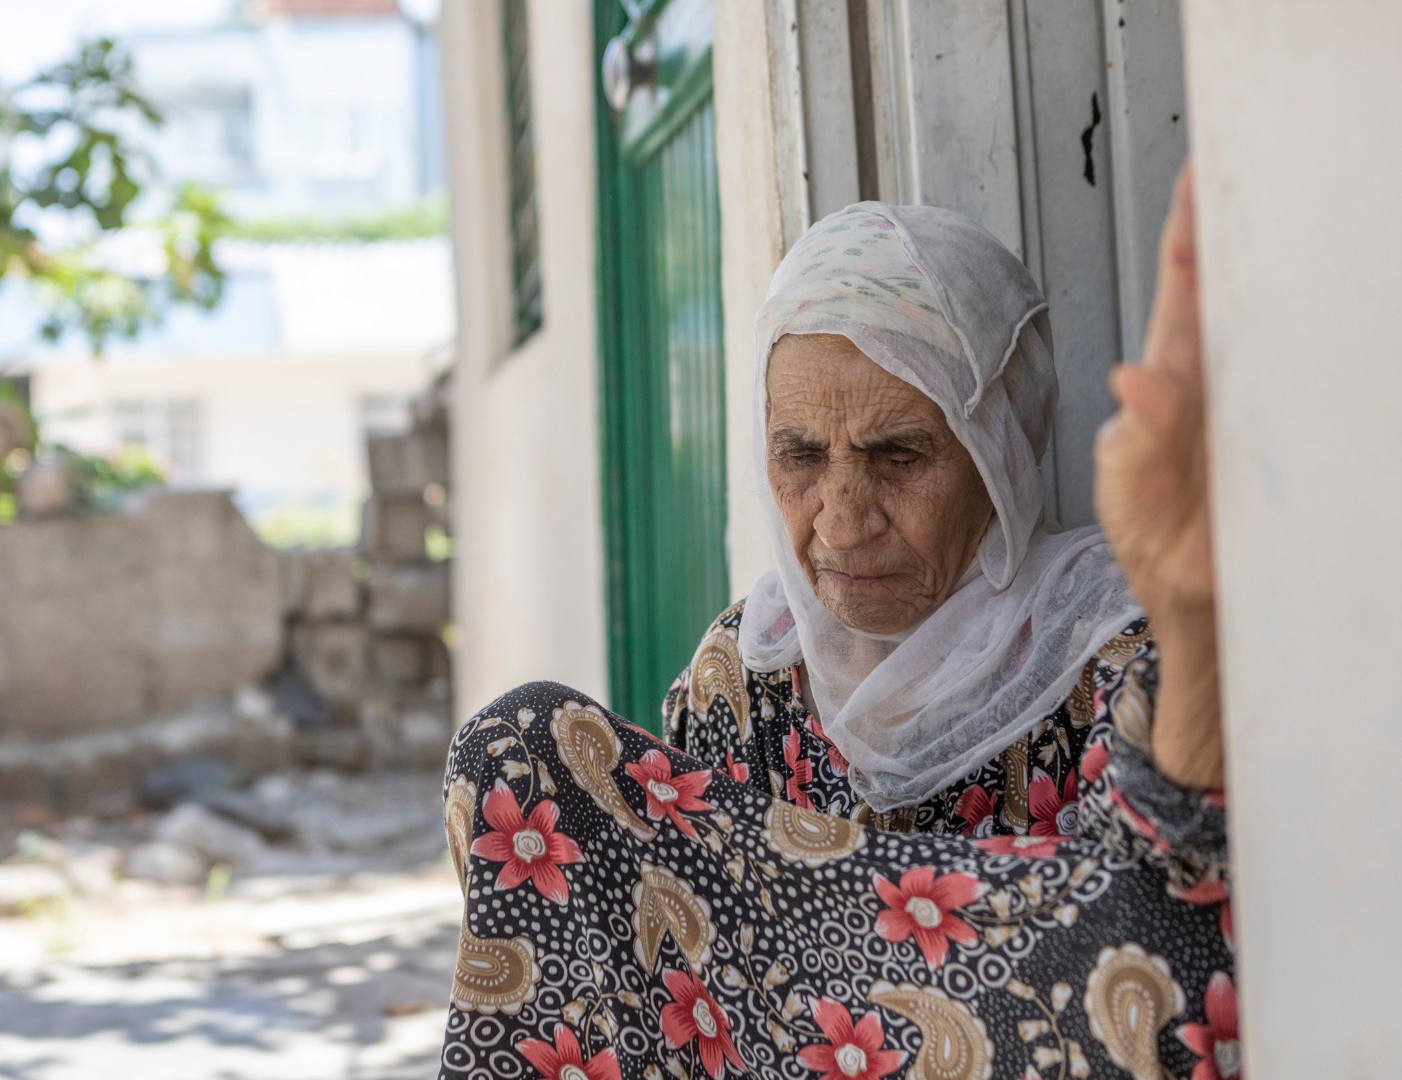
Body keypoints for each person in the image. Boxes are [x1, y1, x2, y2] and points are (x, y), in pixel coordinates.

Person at [439, 172, 1233, 1080]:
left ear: (1001, 449)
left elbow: (1173, 901)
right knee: (520, 747)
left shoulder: (1106, 648)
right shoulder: (744, 672)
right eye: (801, 456)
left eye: (899, 456)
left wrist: (1192, 615)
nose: (841, 520)